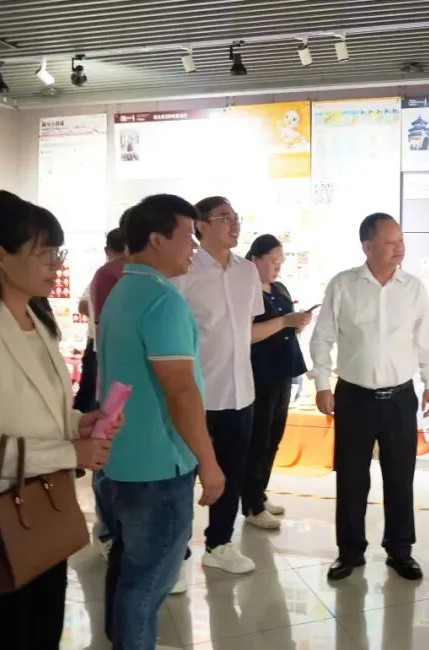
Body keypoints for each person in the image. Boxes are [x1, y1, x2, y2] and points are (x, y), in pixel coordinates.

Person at [0, 190, 115, 649]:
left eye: (57, 254)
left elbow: (37, 410)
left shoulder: (37, 323)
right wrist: (70, 452)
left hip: (43, 517)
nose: (55, 265)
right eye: (43, 254)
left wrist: (77, 424)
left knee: (42, 632)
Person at [98, 194, 224, 650]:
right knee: (149, 580)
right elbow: (180, 391)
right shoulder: (161, 300)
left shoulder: (122, 291)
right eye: (188, 236)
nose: (194, 246)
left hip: (121, 457)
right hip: (158, 464)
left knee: (127, 568)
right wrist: (208, 462)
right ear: (156, 239)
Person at [310, 213, 429, 582]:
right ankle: (350, 551)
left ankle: (400, 550)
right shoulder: (343, 285)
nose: (399, 248)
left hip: (400, 397)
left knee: (400, 477)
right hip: (354, 397)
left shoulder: (413, 288)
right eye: (390, 242)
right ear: (367, 246)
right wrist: (321, 383)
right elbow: (323, 336)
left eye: (401, 240)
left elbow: (425, 340)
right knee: (351, 478)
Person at [172, 196, 263, 574]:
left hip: (241, 391)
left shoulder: (248, 272)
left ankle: (220, 543)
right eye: (224, 217)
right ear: (201, 225)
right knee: (183, 476)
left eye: (235, 216)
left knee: (231, 472)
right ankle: (175, 554)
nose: (234, 223)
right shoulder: (184, 271)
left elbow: (247, 328)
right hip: (197, 392)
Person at [243, 235, 313, 529]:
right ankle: (251, 503)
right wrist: (285, 322)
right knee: (257, 439)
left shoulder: (279, 288)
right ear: (255, 259)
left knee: (274, 437)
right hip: (258, 373)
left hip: (284, 369)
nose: (277, 267)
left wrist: (298, 322)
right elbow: (247, 333)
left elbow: (286, 325)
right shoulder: (245, 290)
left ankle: (259, 492)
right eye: (273, 261)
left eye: (280, 262)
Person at [86, 220, 131, 562]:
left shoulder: (153, 277)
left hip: (133, 382)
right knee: (107, 452)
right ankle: (106, 530)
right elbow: (106, 334)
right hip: (114, 377)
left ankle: (119, 529)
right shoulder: (110, 274)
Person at [73, 228, 127, 413]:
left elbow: (82, 306)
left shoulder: (108, 273)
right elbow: (83, 306)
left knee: (94, 396)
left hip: (100, 345)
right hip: (104, 346)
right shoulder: (108, 274)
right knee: (99, 399)